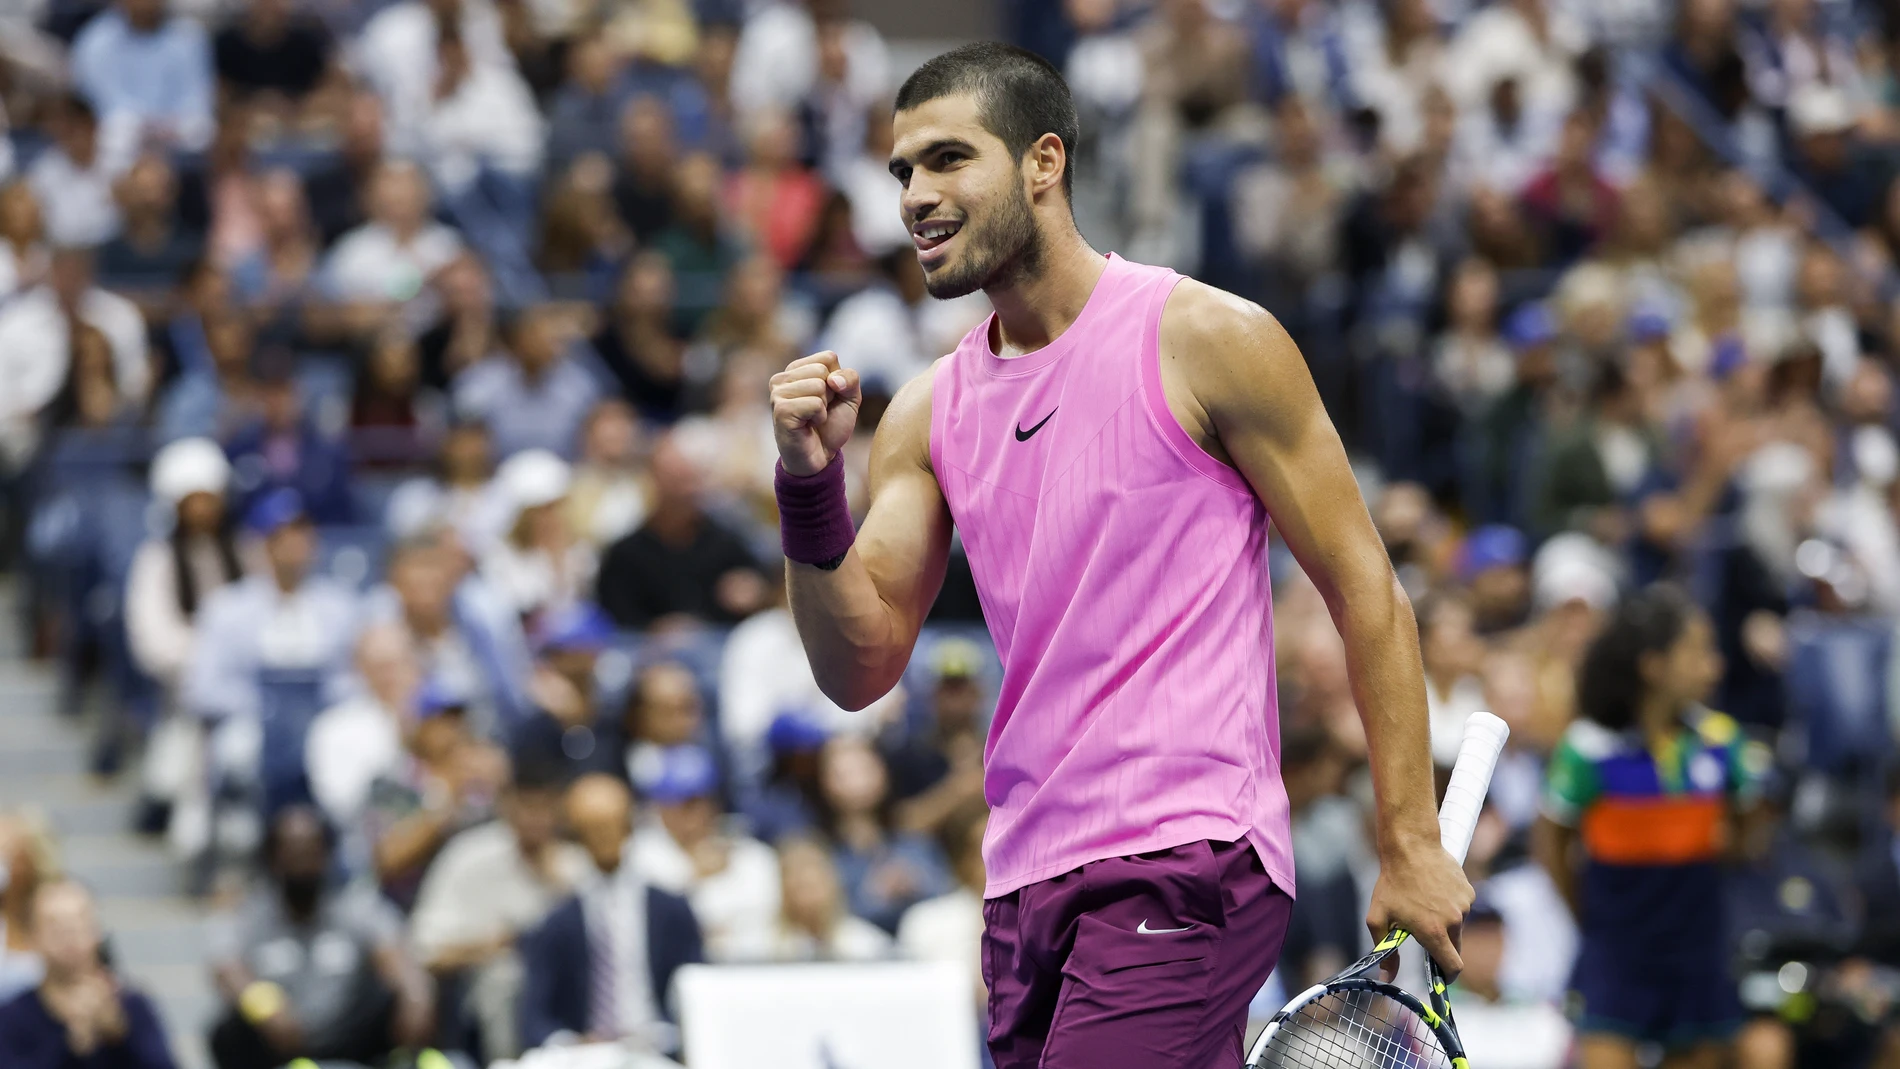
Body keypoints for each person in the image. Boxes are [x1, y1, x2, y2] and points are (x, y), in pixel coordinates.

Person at [767, 42, 1469, 1068]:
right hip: (1023, 883)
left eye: (948, 160)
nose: (915, 195)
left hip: (1187, 848)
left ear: (1042, 163)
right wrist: (807, 486)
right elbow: (856, 662)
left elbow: (1367, 588)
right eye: (901, 172)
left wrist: (1407, 840)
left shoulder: (1207, 339)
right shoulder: (924, 414)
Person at [1533, 586, 1768, 1069]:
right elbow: (1551, 846)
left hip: (1696, 951)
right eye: (1698, 651)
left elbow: (1750, 831)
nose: (1714, 666)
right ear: (1653, 666)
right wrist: (1593, 918)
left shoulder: (1724, 743)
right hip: (1615, 956)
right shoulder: (1586, 750)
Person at [208, 807, 433, 1069]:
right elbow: (227, 968)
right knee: (226, 1030)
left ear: (326, 854)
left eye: (310, 849)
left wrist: (416, 996)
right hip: (277, 1039)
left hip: (347, 1033)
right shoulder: (247, 914)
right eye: (291, 850)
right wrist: (265, 1006)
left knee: (395, 997)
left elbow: (394, 955)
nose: (301, 859)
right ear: (272, 857)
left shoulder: (356, 906)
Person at [407, 762, 589, 1059]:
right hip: (480, 998)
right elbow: (425, 950)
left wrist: (558, 886)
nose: (535, 819)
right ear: (507, 806)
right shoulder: (468, 856)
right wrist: (490, 946)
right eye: (527, 807)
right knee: (507, 976)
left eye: (545, 808)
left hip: (568, 995)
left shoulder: (575, 867)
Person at [518, 774, 704, 1056]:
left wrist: (661, 1034)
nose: (602, 837)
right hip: (583, 1056)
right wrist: (572, 1044)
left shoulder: (671, 911)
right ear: (576, 835)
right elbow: (535, 1015)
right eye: (590, 829)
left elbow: (696, 990)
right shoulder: (556, 921)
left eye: (609, 825)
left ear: (628, 826)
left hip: (659, 1050)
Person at [596, 434, 768, 629]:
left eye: (691, 480)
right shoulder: (625, 553)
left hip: (720, 641)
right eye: (676, 480)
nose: (687, 491)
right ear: (654, 483)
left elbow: (762, 581)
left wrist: (753, 589)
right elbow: (616, 615)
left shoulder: (727, 540)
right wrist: (655, 628)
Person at [626, 745, 780, 961]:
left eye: (700, 800)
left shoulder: (750, 854)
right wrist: (693, 876)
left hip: (746, 971)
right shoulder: (641, 854)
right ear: (661, 807)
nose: (693, 813)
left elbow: (765, 916)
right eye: (681, 803)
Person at [0, 881, 176, 1069]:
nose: (69, 934)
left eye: (79, 921)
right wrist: (72, 1043)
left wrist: (118, 1034)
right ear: (31, 936)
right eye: (55, 925)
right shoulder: (12, 1017)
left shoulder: (131, 1005)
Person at [69, 0, 215, 160]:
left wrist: (167, 129)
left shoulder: (189, 37)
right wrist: (142, 128)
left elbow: (197, 108)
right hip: (116, 148)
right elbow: (100, 110)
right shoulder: (94, 41)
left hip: (178, 148)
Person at [728, 834, 893, 963]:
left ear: (833, 880)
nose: (804, 880)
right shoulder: (755, 944)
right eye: (794, 875)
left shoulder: (865, 943)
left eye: (813, 874)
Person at [897, 805, 989, 1014]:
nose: (1000, 860)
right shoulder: (926, 922)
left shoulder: (1038, 920)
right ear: (962, 862)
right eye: (985, 852)